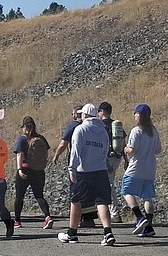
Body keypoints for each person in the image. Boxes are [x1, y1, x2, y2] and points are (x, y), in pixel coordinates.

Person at [59, 104, 116, 246]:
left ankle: (72, 233)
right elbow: (105, 151)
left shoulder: (80, 129)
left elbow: (76, 152)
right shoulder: (103, 131)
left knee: (76, 200)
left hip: (83, 171)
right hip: (100, 170)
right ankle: (108, 232)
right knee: (101, 202)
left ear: (85, 115)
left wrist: (71, 169)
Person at [123, 104, 162, 239]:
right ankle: (149, 226)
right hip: (150, 167)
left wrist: (126, 149)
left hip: (136, 166)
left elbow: (132, 149)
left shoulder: (136, 131)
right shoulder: (153, 130)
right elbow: (158, 150)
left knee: (126, 190)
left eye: (135, 113)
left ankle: (139, 217)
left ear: (138, 115)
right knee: (147, 196)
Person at [11, 116, 53, 229]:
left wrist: (19, 170)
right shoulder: (41, 138)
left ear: (24, 127)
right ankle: (47, 217)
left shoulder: (22, 139)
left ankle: (17, 221)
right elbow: (46, 153)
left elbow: (19, 154)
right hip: (39, 171)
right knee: (39, 195)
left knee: (19, 196)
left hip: (25, 169)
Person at [97, 102, 128, 221]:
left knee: (109, 185)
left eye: (99, 111)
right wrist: (126, 160)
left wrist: (105, 162)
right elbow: (124, 144)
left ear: (103, 111)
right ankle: (108, 211)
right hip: (118, 157)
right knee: (109, 183)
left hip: (107, 159)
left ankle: (114, 213)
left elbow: (102, 145)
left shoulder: (101, 126)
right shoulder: (116, 125)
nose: (98, 113)